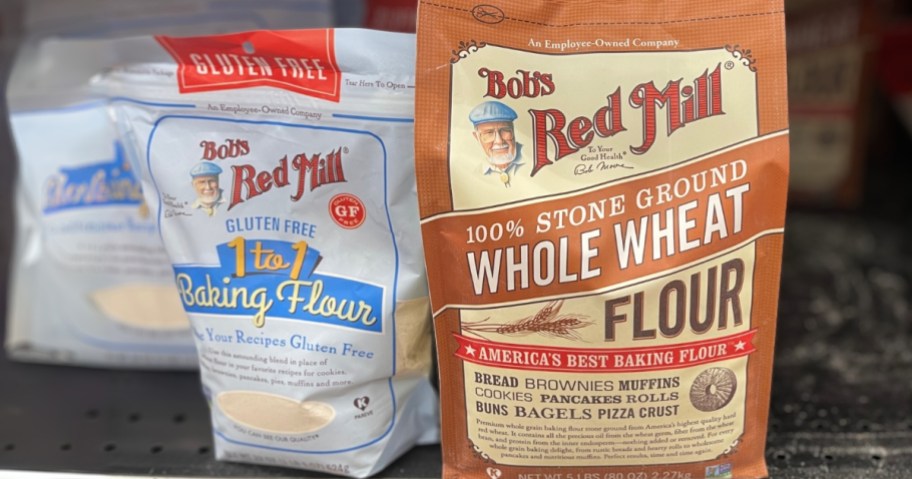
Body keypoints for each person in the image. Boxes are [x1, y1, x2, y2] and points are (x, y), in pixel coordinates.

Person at [469, 100, 524, 187]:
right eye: (489, 133)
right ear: (477, 137)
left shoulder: (532, 160)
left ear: (513, 131)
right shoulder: (473, 176)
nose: (499, 141)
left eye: (505, 130)